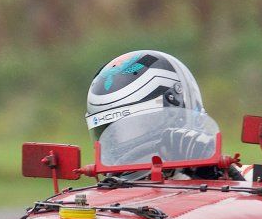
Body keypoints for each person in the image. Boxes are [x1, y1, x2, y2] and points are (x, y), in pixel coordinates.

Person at [85, 50, 222, 169]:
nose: (121, 144)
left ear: (177, 112)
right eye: (109, 130)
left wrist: (210, 171)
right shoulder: (102, 194)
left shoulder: (237, 180)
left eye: (137, 124)